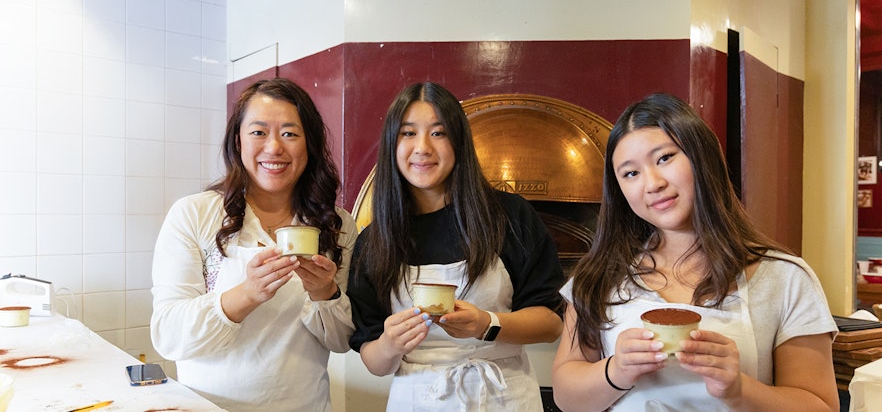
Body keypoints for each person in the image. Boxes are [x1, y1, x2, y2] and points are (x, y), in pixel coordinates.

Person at [551, 93, 839, 411]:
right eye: (631, 173)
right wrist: (616, 371)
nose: (652, 183)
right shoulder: (598, 277)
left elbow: (821, 406)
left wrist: (738, 389)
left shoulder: (784, 278)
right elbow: (566, 398)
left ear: (702, 157)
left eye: (664, 158)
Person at [347, 81, 566, 410]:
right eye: (408, 133)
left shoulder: (509, 216)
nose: (423, 147)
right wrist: (390, 345)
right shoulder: (375, 241)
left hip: (503, 396)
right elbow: (375, 362)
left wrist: (486, 324)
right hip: (419, 399)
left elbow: (550, 323)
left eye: (438, 133)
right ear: (392, 144)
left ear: (459, 141)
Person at [150, 78, 357, 412]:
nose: (274, 147)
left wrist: (325, 293)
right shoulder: (194, 214)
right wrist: (247, 294)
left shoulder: (337, 225)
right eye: (259, 132)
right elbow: (168, 335)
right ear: (238, 140)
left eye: (290, 134)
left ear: (310, 143)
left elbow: (341, 340)